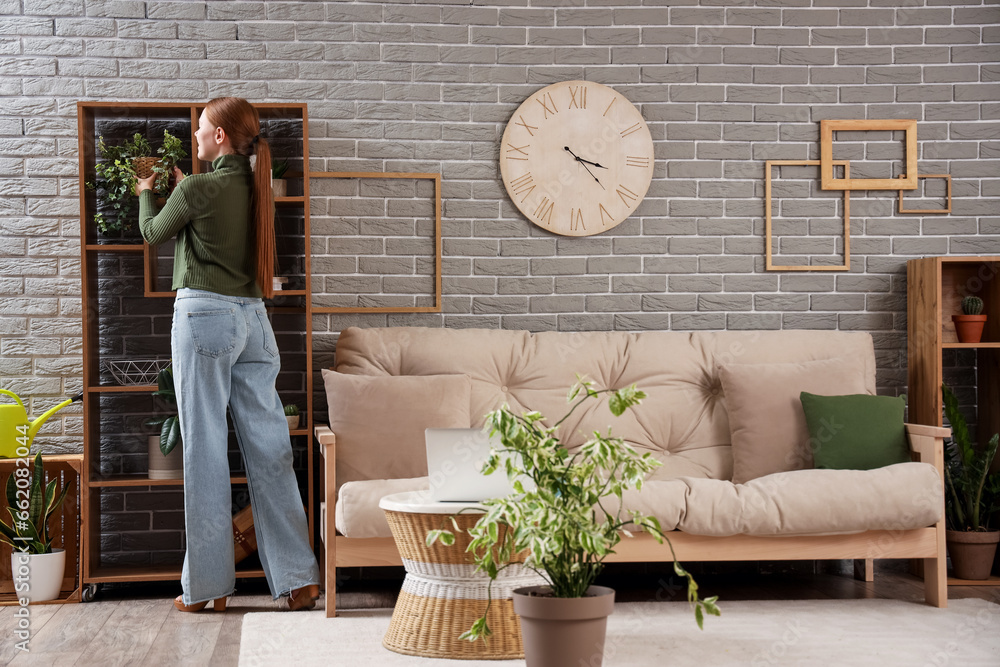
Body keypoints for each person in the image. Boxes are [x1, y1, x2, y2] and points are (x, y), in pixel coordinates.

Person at [137, 97, 320, 613]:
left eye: (201, 130)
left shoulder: (197, 188)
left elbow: (152, 234)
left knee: (205, 449)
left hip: (205, 319)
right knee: (271, 450)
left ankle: (208, 588)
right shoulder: (257, 190)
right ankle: (299, 580)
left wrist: (148, 193)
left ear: (219, 137)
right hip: (255, 324)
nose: (195, 137)